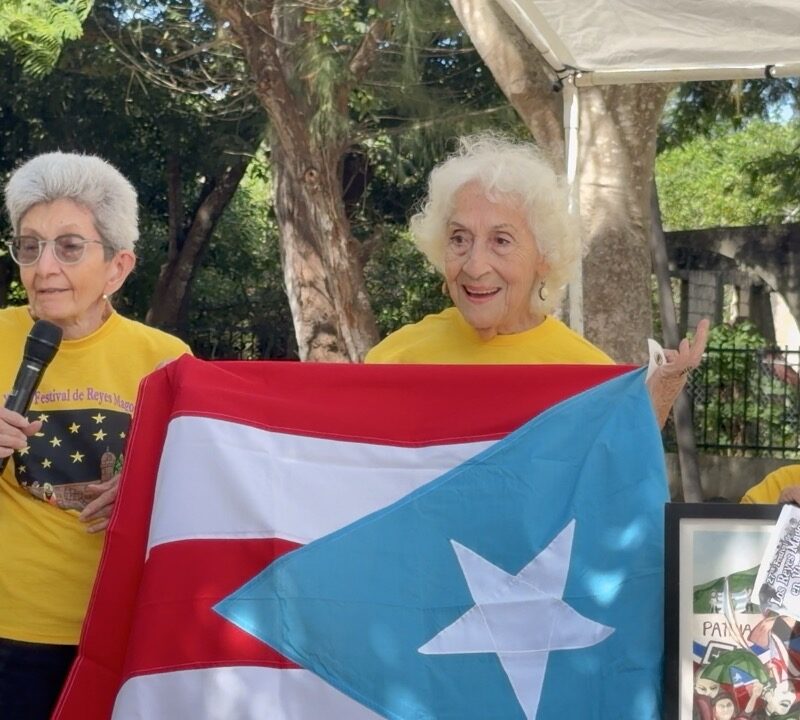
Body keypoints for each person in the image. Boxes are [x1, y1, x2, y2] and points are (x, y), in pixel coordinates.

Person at [0, 152, 191, 719]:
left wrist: (147, 490)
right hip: (10, 633)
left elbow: (205, 491)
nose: (43, 267)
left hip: (123, 633)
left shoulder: (168, 361)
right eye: (29, 246)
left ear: (118, 267)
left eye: (69, 246)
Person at [365, 133, 708, 426]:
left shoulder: (586, 375)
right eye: (459, 238)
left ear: (544, 256)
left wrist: (658, 398)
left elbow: (615, 468)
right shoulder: (395, 360)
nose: (475, 265)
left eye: (501, 241)